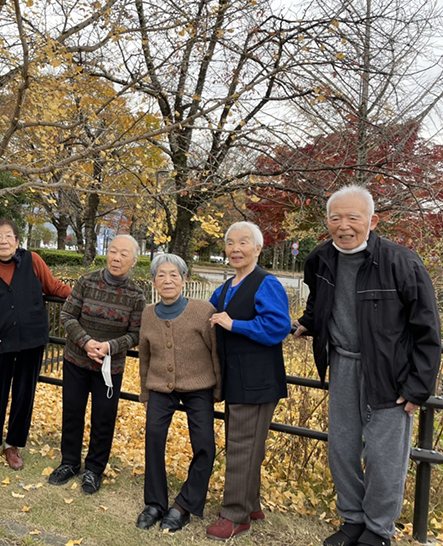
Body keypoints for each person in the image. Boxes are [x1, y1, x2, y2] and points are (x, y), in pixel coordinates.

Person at [295, 185, 441, 546]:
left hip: (390, 373)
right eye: (335, 218)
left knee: (384, 457)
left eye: (353, 217)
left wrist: (418, 387)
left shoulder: (401, 262)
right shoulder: (320, 258)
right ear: (326, 221)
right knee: (341, 448)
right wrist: (309, 322)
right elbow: (319, 299)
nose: (344, 226)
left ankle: (378, 530)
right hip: (343, 363)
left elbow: (427, 330)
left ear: (372, 221)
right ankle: (353, 520)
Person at [205, 221, 292, 541]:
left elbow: (277, 327)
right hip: (237, 376)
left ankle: (236, 515)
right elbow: (206, 313)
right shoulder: (227, 286)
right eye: (230, 243)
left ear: (258, 248)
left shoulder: (266, 283)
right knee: (245, 442)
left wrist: (234, 324)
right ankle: (250, 503)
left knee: (242, 445)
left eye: (244, 243)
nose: (235, 248)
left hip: (257, 379)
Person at [0, 219, 71, 471]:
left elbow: (54, 287)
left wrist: (86, 296)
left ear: (17, 240)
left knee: (24, 394)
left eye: (9, 236)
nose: (4, 241)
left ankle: (13, 445)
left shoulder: (33, 260)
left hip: (31, 340)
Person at [49, 234, 145, 495]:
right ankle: (69, 462)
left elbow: (136, 334)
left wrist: (109, 347)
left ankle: (94, 469)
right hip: (76, 360)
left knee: (104, 418)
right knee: (72, 413)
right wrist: (86, 342)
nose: (116, 257)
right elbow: (68, 314)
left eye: (124, 254)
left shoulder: (136, 295)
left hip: (109, 368)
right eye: (113, 251)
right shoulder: (87, 281)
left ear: (134, 261)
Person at [135, 253, 220, 532]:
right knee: (154, 437)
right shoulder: (148, 313)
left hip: (199, 387)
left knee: (205, 443)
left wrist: (218, 388)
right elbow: (144, 356)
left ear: (184, 279)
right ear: (154, 281)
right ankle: (155, 503)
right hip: (160, 386)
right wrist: (145, 393)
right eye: (162, 275)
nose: (168, 280)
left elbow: (216, 352)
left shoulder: (203, 310)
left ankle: (184, 504)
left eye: (174, 274)